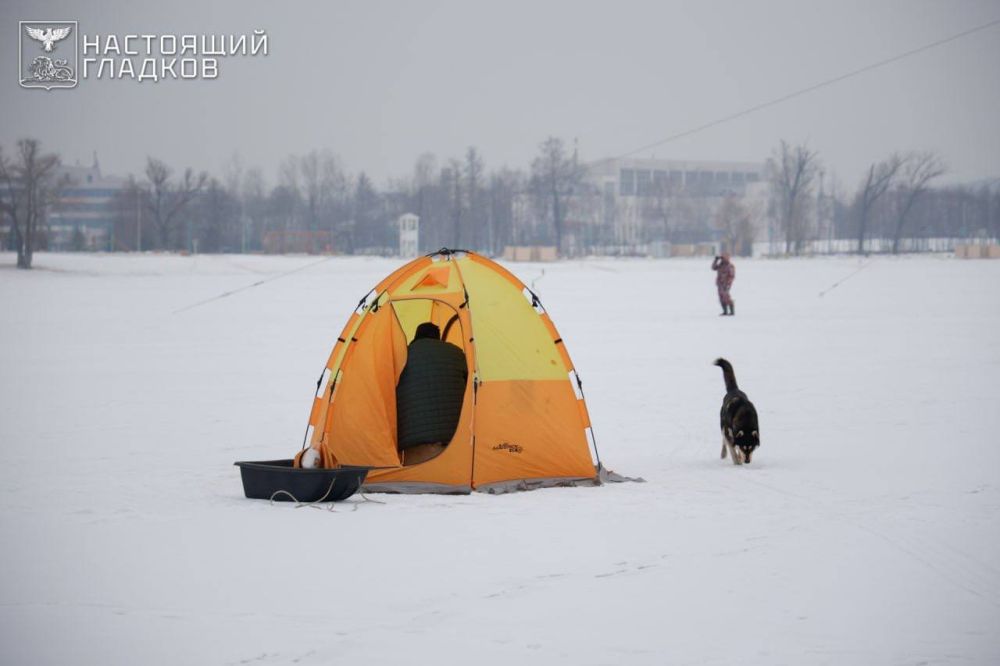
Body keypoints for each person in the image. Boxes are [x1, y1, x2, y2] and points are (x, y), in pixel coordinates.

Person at [395, 322, 468, 465]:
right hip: (454, 443)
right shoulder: (456, 353)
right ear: (438, 337)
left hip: (413, 447)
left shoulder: (401, 356)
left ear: (416, 336)